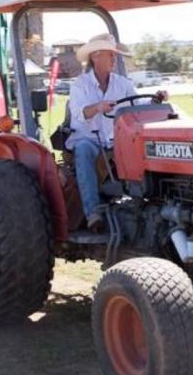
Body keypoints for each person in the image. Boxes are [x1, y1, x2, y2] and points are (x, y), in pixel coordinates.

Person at [67, 33, 167, 231]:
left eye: (114, 55)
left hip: (115, 140)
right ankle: (93, 212)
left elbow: (136, 105)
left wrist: (156, 100)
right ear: (95, 56)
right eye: (109, 55)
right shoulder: (80, 85)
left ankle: (147, 207)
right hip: (90, 138)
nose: (114, 59)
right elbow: (80, 113)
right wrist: (98, 107)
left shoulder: (122, 83)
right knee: (84, 149)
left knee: (143, 146)